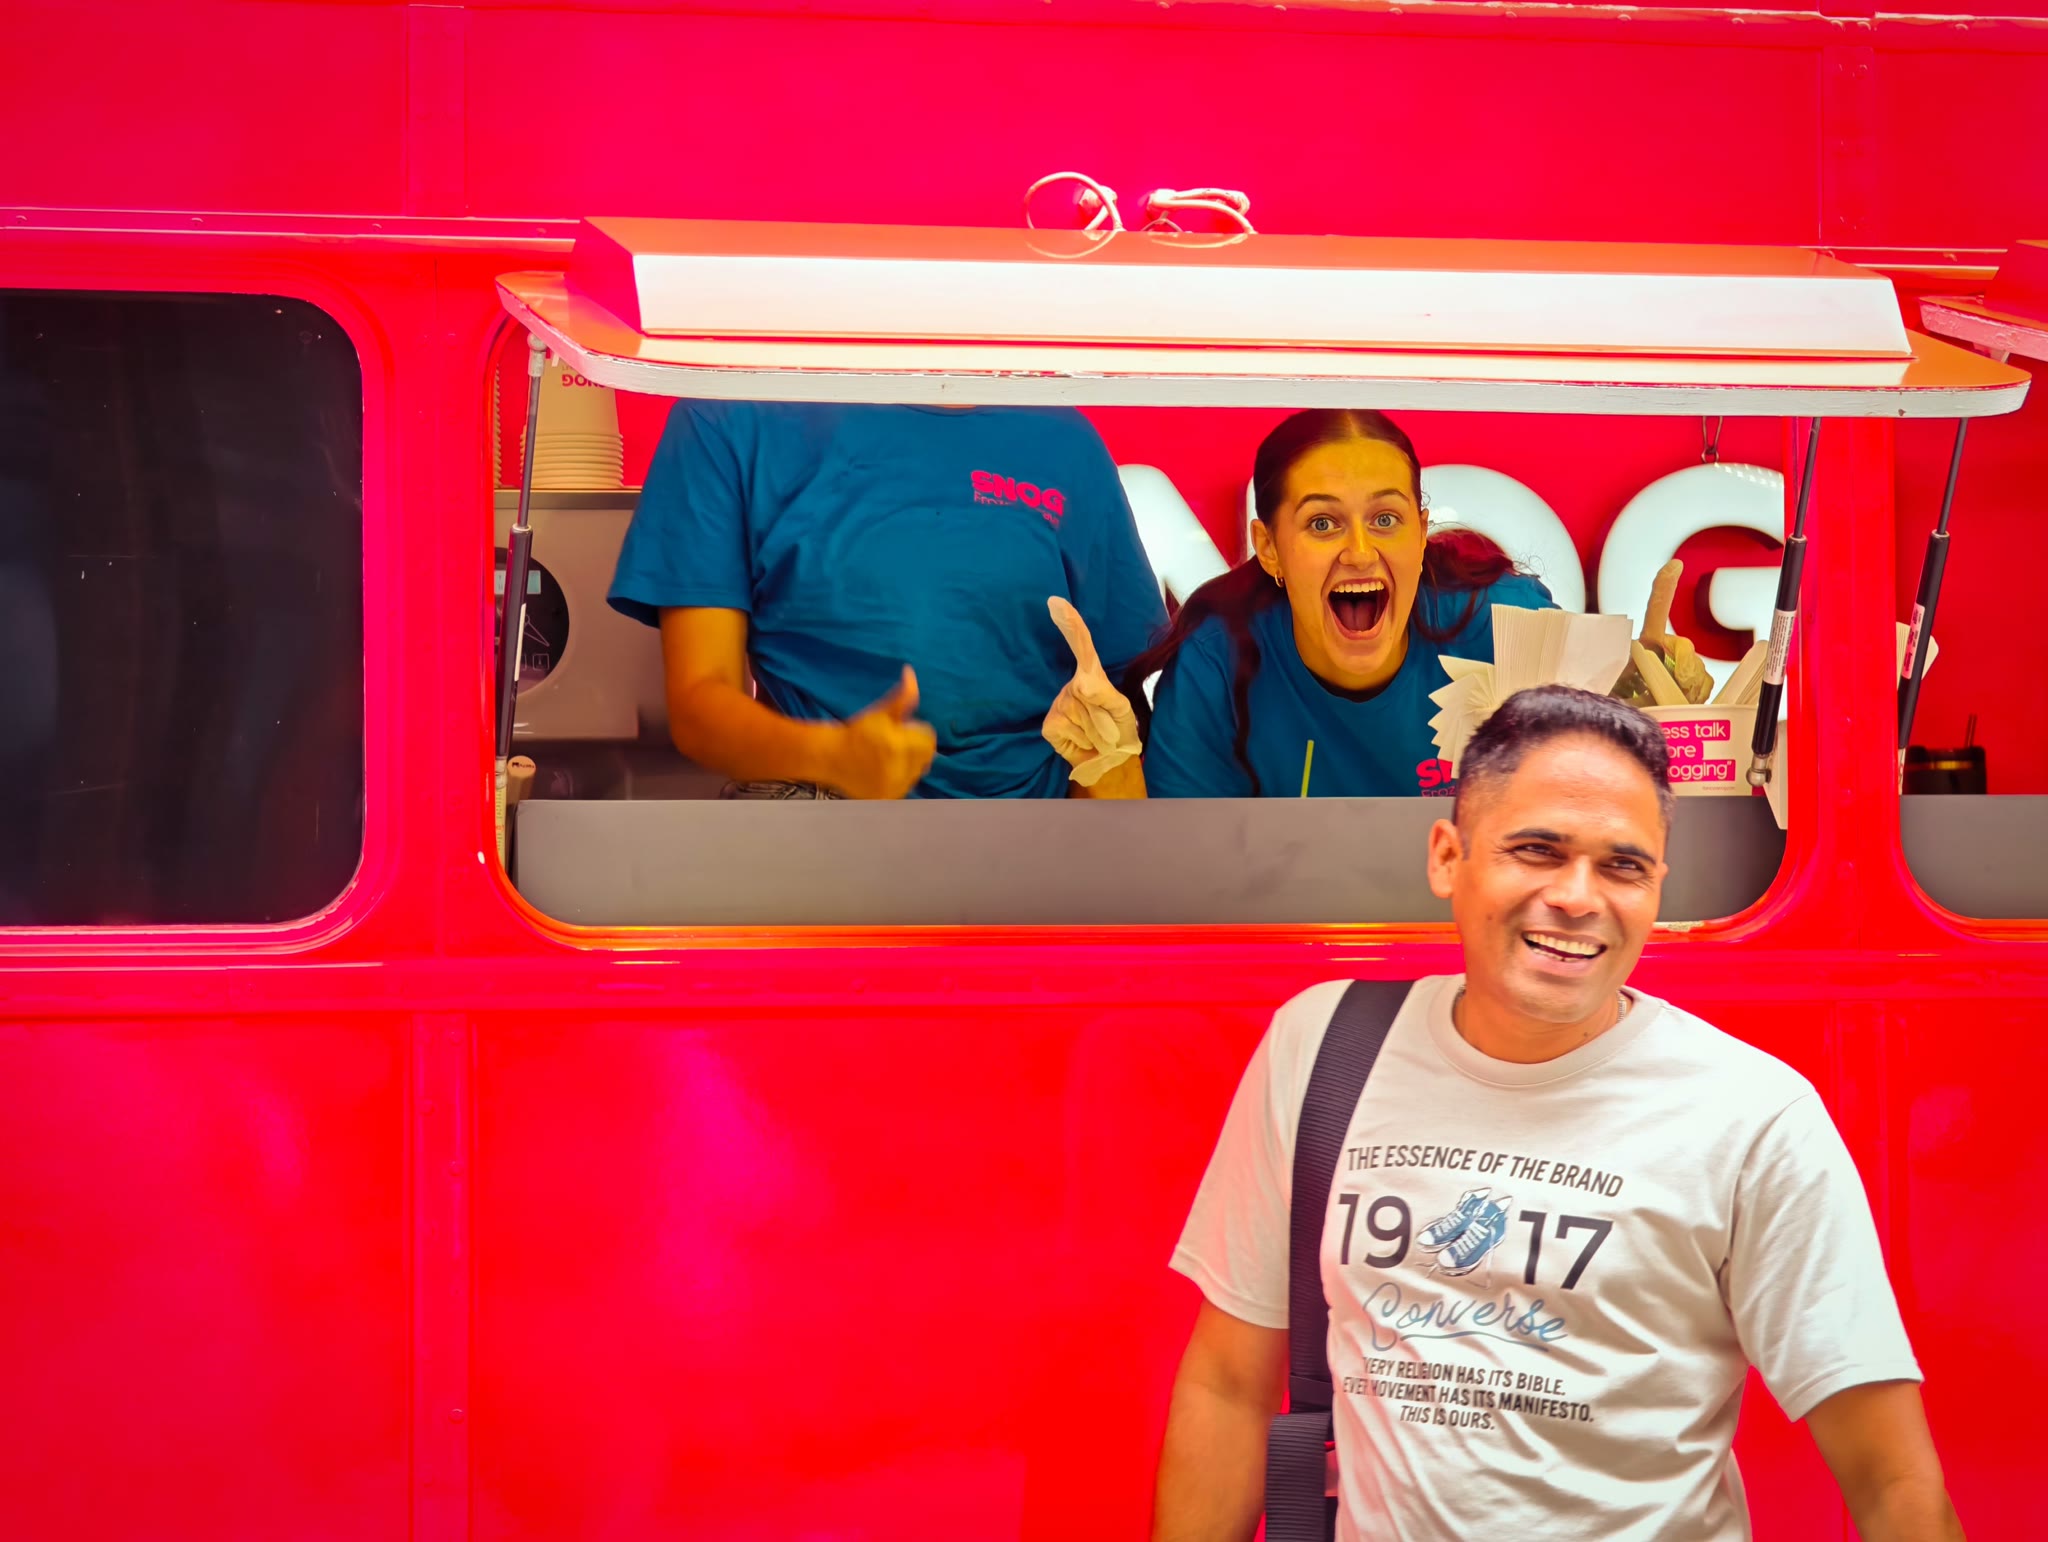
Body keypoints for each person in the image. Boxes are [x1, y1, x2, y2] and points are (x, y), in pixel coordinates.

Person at [1152, 686, 1960, 1542]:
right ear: (1448, 858)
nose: (1579, 897)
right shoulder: (1323, 1047)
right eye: (1538, 850)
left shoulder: (1754, 1117)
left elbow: (1895, 1482)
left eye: (1623, 866)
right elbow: (1228, 1388)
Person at [609, 400, 1165, 799]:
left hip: (1036, 843)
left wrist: (1106, 766)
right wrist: (833, 756)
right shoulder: (729, 414)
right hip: (817, 824)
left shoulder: (1064, 441)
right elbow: (700, 707)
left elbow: (1124, 701)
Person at [1041, 409, 1554, 799]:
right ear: (1268, 548)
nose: (1359, 553)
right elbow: (1182, 872)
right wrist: (1107, 770)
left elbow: (1589, 811)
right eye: (1322, 524)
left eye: (1385, 520)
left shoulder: (1508, 624)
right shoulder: (1216, 659)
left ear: (1421, 533)